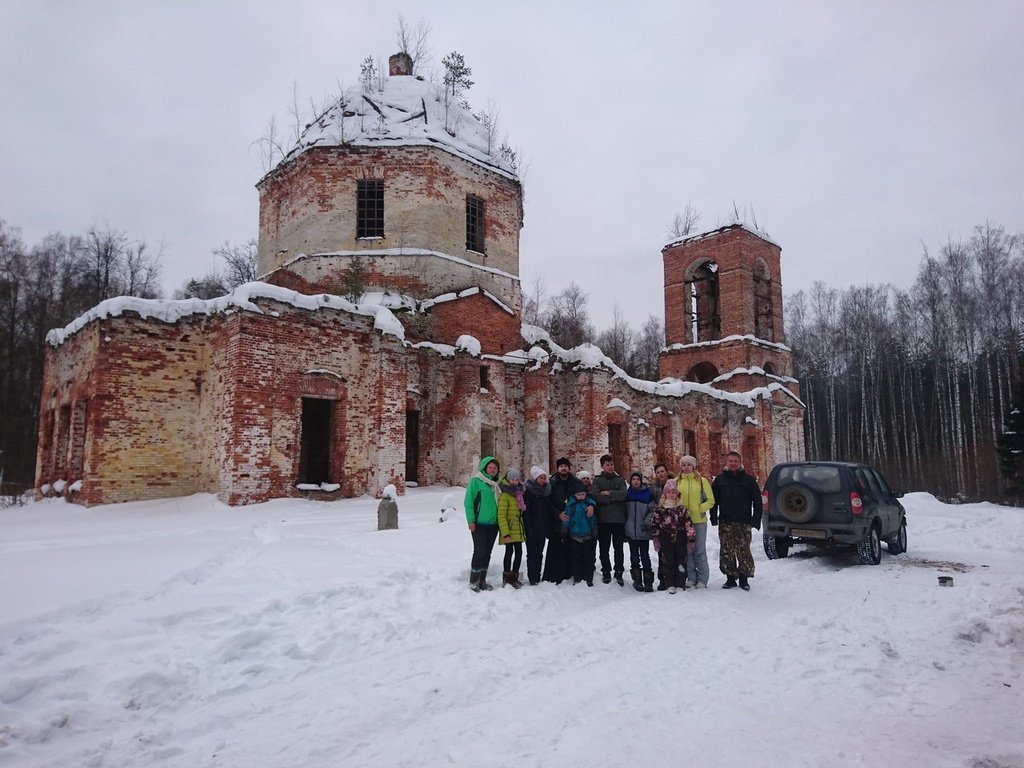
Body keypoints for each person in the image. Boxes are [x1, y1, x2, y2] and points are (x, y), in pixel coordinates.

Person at [710, 450, 762, 591]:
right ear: (726, 462)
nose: (733, 463)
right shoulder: (720, 480)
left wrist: (755, 520)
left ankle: (744, 579)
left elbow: (757, 502)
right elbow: (713, 500)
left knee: (743, 550)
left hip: (743, 521)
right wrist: (713, 517)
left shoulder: (749, 480)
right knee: (727, 550)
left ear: (740, 463)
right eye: (731, 461)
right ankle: (730, 578)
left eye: (735, 461)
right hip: (726, 521)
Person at [649, 478, 695, 594]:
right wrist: (656, 539)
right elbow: (655, 524)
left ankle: (680, 583)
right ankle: (670, 583)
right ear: (665, 494)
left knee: (681, 559)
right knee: (668, 560)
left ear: (677, 494)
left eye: (673, 492)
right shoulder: (660, 509)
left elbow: (688, 524)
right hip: (665, 536)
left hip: (680, 536)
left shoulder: (682, 508)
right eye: (669, 492)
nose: (671, 494)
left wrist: (690, 539)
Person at [464, 456, 502, 592]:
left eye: (494, 468)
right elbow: (468, 502)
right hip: (479, 524)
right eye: (490, 467)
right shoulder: (476, 481)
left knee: (487, 553)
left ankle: (482, 581)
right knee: (479, 552)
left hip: (493, 524)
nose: (492, 469)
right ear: (485, 468)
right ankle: (474, 582)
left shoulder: (497, 484)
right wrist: (471, 521)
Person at [677, 455, 715, 589]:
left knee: (699, 550)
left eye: (689, 465)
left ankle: (703, 579)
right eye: (684, 465)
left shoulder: (702, 481)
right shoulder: (677, 481)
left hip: (699, 521)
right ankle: (691, 577)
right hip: (683, 522)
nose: (686, 467)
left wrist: (700, 508)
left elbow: (710, 500)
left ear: (694, 466)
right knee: (688, 550)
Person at [592, 453, 628, 585]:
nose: (610, 467)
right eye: (607, 465)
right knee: (604, 548)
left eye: (611, 464)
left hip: (618, 520)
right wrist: (614, 498)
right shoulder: (597, 480)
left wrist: (608, 493)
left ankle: (619, 572)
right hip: (603, 520)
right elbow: (596, 496)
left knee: (618, 549)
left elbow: (623, 495)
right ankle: (606, 571)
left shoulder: (620, 480)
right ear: (602, 466)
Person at [543, 457, 576, 584]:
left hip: (572, 521)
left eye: (565, 466)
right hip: (556, 521)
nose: (563, 468)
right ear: (557, 469)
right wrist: (558, 514)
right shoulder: (551, 483)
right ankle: (553, 576)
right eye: (561, 466)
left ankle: (569, 574)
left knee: (570, 548)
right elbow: (547, 502)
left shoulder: (575, 482)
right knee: (555, 549)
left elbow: (581, 498)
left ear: (569, 468)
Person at [624, 471, 655, 592]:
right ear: (630, 481)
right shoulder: (627, 494)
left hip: (643, 530)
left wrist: (647, 522)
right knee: (634, 557)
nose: (636, 481)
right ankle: (637, 581)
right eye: (633, 479)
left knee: (645, 556)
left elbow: (653, 510)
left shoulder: (647, 493)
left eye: (637, 479)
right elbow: (624, 511)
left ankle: (648, 582)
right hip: (631, 531)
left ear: (641, 481)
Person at [562, 484, 598, 586]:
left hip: (587, 535)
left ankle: (588, 578)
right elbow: (566, 520)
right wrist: (563, 532)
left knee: (588, 558)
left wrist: (594, 533)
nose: (581, 496)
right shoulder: (571, 506)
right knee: (575, 557)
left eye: (583, 494)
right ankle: (577, 577)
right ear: (575, 495)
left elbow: (593, 521)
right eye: (579, 494)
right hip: (575, 535)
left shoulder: (589, 505)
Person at [497, 468, 527, 589]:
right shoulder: (505, 495)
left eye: (516, 479)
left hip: (518, 529)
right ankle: (507, 578)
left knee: (519, 553)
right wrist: (505, 533)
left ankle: (514, 577)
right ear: (508, 480)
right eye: (512, 479)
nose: (515, 481)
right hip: (509, 530)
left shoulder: (519, 494)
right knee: (509, 552)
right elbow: (501, 515)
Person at [522, 465, 551, 586]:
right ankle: (532, 577)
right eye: (541, 478)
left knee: (539, 553)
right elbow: (527, 513)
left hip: (542, 528)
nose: (543, 480)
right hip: (532, 528)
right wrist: (529, 528)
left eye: (544, 478)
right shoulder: (528, 492)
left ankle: (537, 576)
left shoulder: (546, 493)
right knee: (532, 554)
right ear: (535, 479)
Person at [649, 463, 675, 590]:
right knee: (662, 551)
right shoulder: (654, 488)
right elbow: (650, 503)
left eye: (662, 471)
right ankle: (662, 579)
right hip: (661, 522)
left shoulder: (674, 483)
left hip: (674, 521)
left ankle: (676, 577)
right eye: (658, 472)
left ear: (666, 472)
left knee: (675, 550)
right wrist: (659, 509)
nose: (660, 474)